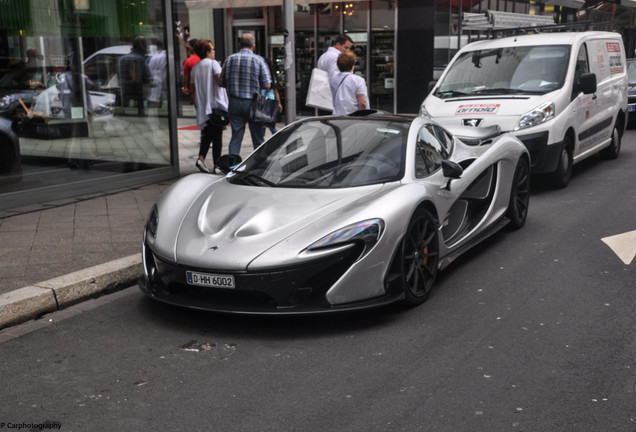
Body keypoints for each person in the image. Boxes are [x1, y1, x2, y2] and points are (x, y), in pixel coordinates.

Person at [220, 33, 271, 154]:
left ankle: (233, 166)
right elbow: (267, 84)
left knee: (236, 137)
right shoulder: (259, 60)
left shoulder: (229, 59)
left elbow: (221, 82)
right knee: (258, 138)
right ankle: (259, 166)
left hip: (234, 102)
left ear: (239, 45)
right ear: (253, 46)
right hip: (254, 102)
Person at [191, 39, 228, 174]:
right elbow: (220, 81)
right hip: (215, 106)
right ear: (207, 52)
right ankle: (217, 166)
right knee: (217, 136)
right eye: (212, 49)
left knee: (208, 134)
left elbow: (193, 90)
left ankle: (201, 158)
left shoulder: (195, 68)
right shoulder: (214, 64)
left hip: (203, 107)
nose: (214, 52)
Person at [119, 36, 153, 115]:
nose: (148, 49)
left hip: (125, 93)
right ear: (142, 47)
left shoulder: (122, 59)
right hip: (139, 93)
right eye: (147, 46)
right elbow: (146, 79)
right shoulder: (140, 59)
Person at [330, 50, 368, 116]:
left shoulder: (334, 79)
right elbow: (362, 103)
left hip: (337, 116)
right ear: (352, 65)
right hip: (353, 118)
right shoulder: (358, 80)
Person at [261, 58, 282, 135]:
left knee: (262, 124)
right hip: (271, 100)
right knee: (270, 124)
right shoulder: (272, 76)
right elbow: (276, 91)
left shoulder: (260, 74)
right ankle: (279, 137)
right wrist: (279, 103)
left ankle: (279, 137)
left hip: (262, 100)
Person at [147, 40, 167, 108]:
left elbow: (149, 71)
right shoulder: (165, 56)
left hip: (155, 85)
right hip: (163, 85)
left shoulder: (153, 57)